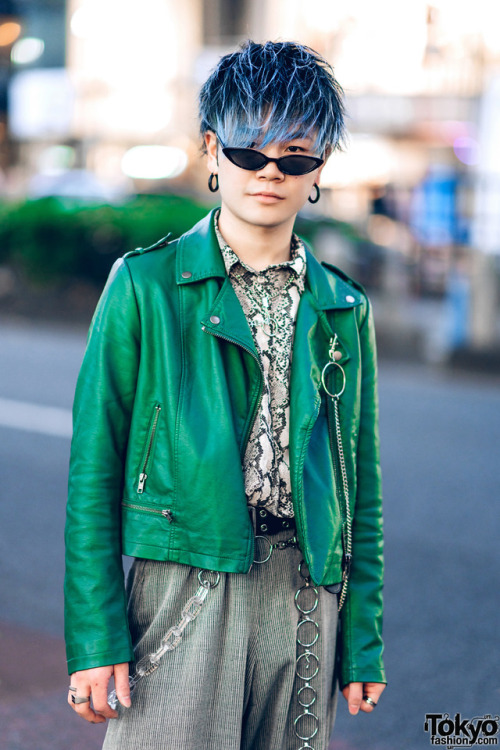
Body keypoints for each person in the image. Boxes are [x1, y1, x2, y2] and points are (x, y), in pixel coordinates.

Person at [65, 40, 386, 750]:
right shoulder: (144, 287)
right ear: (212, 149)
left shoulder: (342, 306)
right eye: (249, 151)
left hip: (307, 595)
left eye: (294, 157)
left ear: (319, 169)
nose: (270, 173)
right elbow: (93, 470)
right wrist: (94, 638)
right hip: (185, 582)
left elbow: (357, 483)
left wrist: (362, 637)